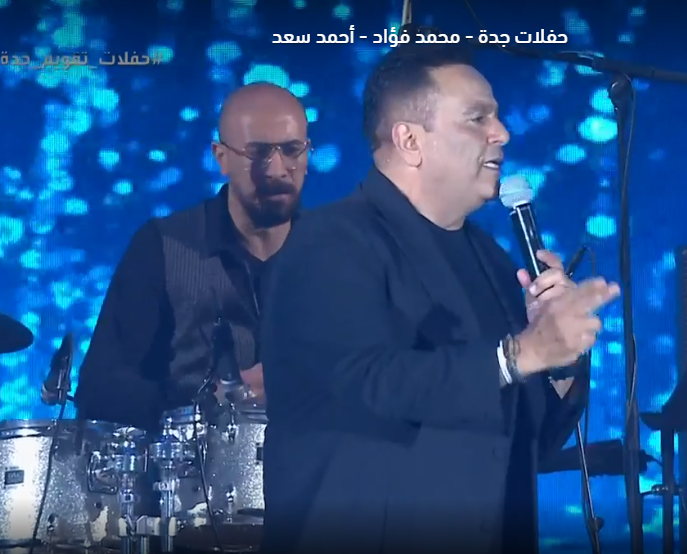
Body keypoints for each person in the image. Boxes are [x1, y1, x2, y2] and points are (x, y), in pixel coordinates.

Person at [260, 43, 621, 554]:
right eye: (478, 118)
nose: (502, 133)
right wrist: (522, 353)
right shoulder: (330, 242)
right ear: (410, 140)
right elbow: (370, 384)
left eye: (497, 116)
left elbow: (525, 442)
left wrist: (558, 359)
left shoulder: (491, 257)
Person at [75, 83, 310, 431]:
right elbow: (99, 391)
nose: (276, 170)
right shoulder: (162, 246)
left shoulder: (339, 253)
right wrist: (210, 401)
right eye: (258, 153)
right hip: (194, 462)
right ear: (221, 157)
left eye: (291, 150)